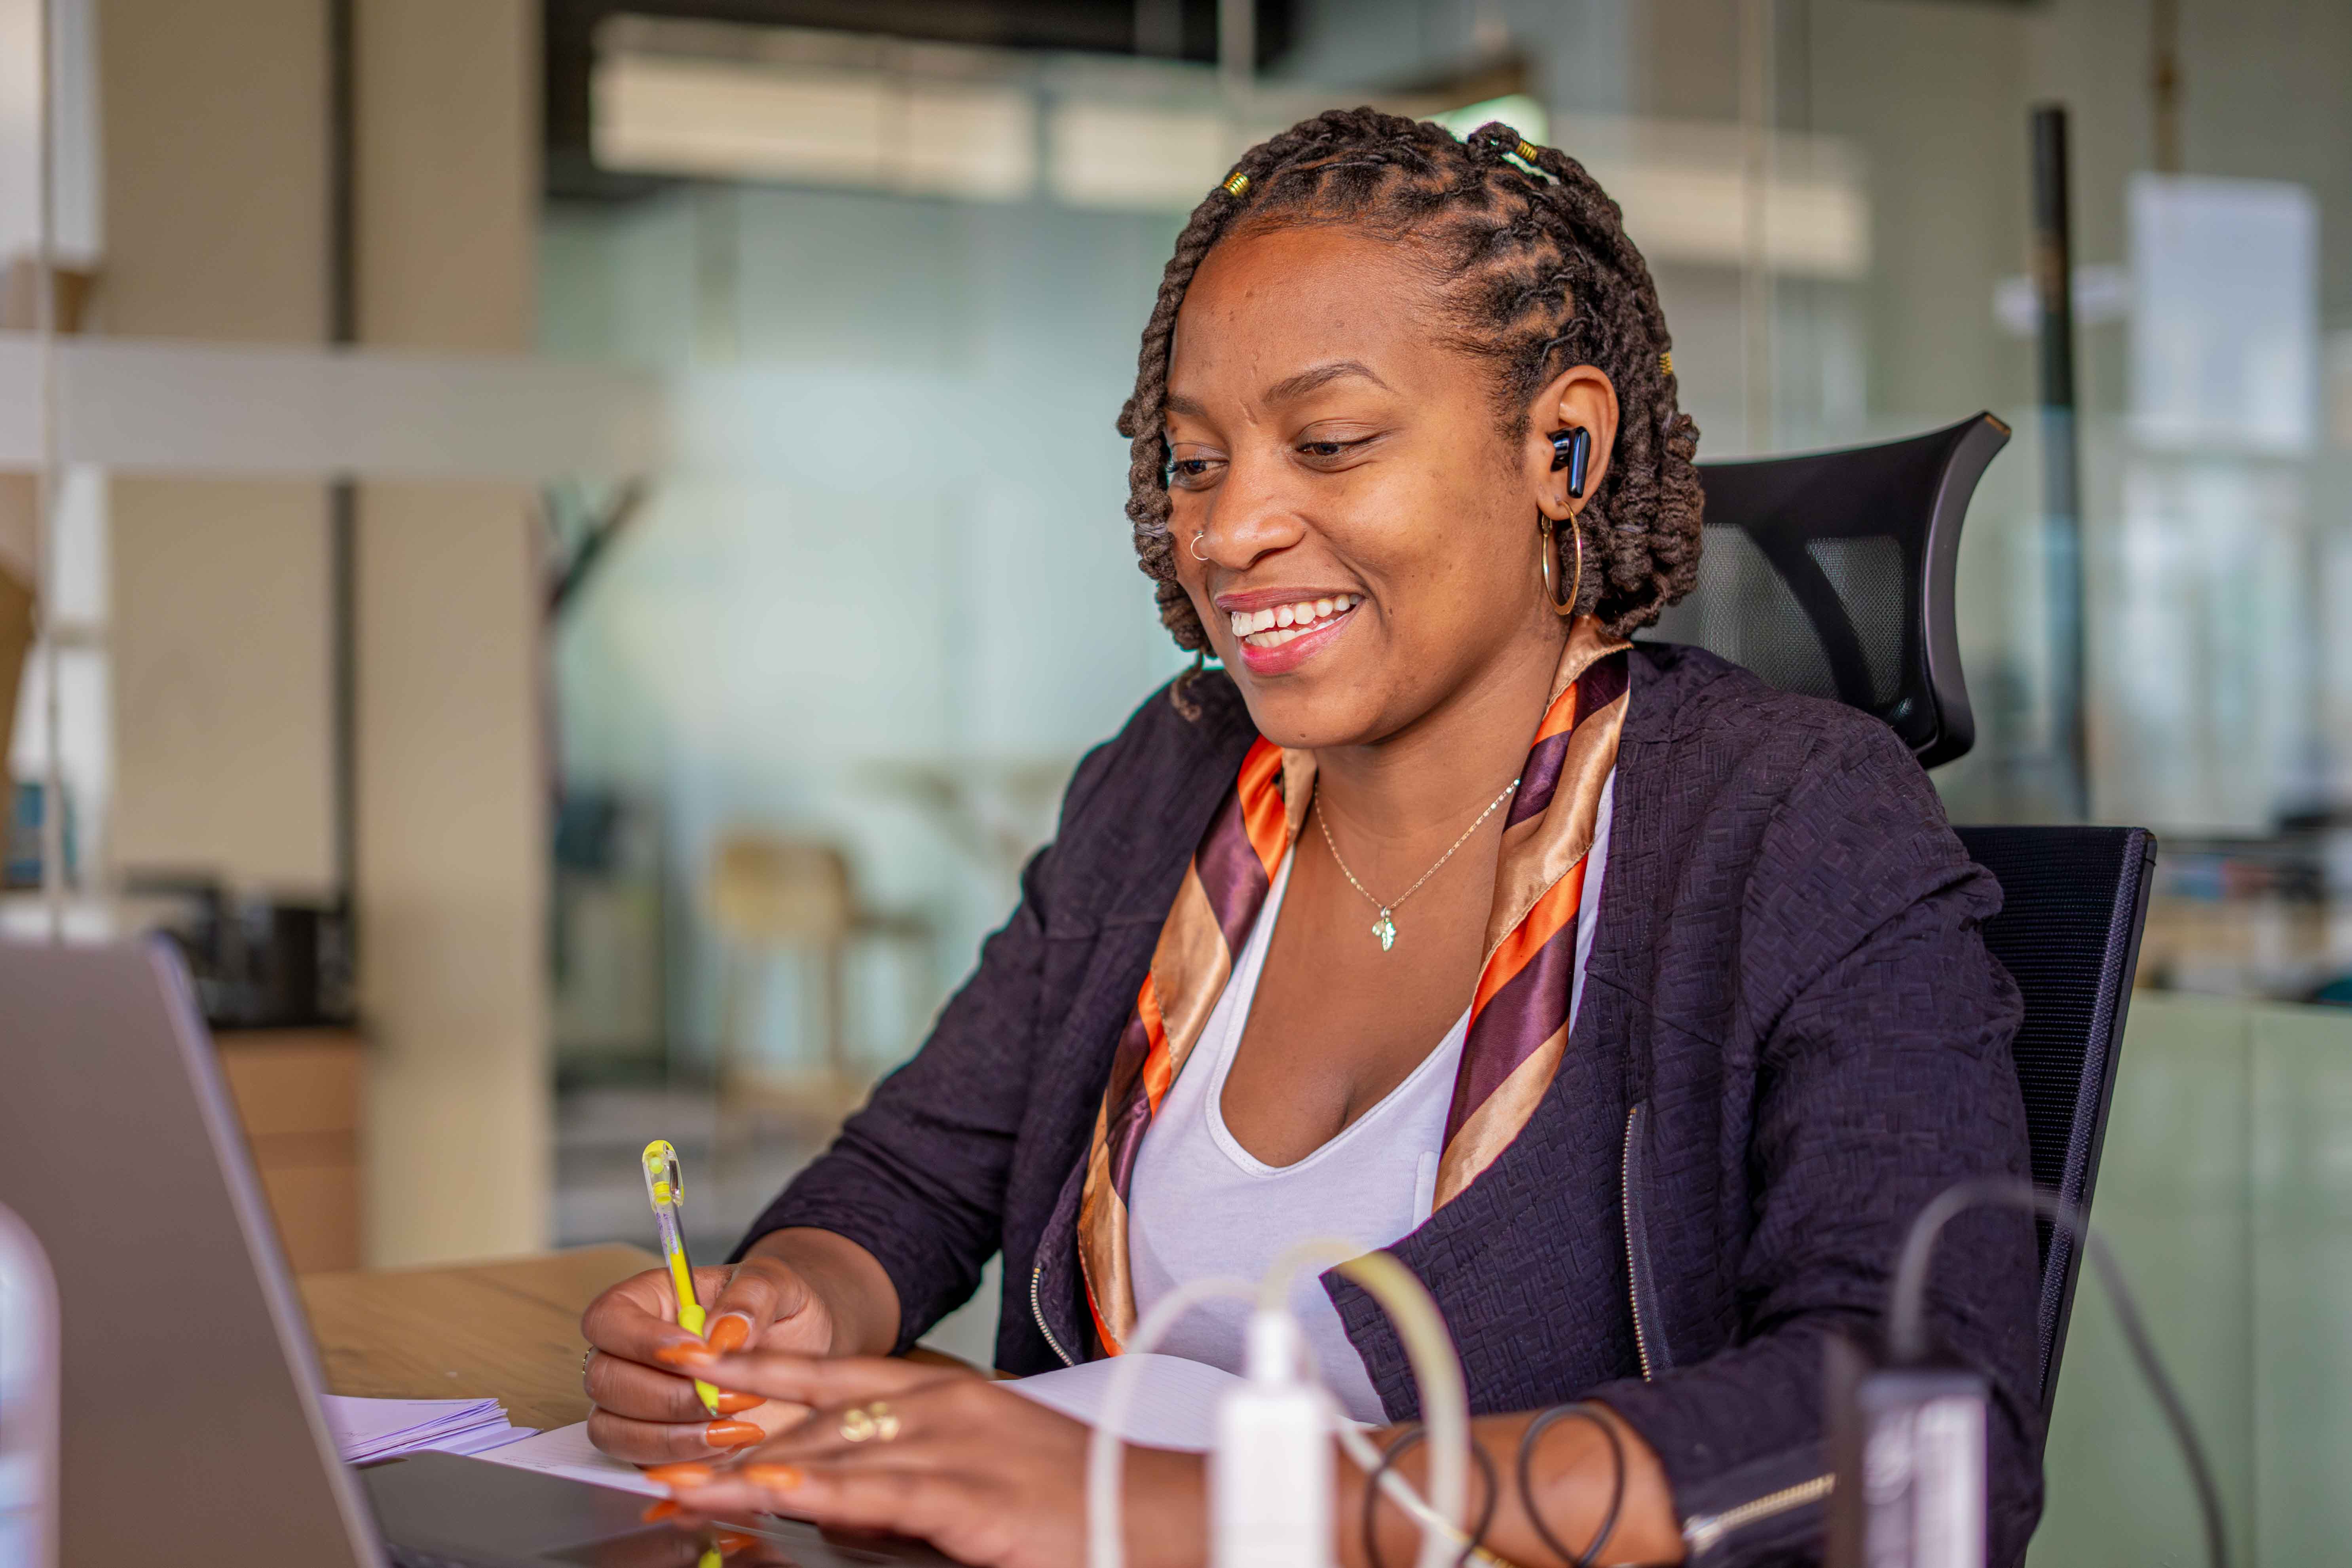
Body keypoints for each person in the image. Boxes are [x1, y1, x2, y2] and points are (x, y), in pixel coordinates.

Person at [579, 108, 2044, 1567]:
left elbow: (1924, 1420)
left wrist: (1227, 1506)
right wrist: (787, 1305)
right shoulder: (1170, 780)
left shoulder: (1790, 815)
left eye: (1329, 443)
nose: (1230, 533)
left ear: (1563, 445)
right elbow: (910, 1177)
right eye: (1196, 462)